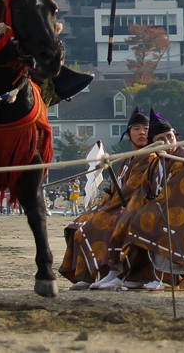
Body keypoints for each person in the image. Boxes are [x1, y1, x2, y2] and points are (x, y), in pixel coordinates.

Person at [111, 110, 184, 288]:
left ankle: (165, 278)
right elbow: (143, 192)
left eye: (169, 137)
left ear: (176, 137)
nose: (167, 143)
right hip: (167, 208)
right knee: (129, 218)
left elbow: (183, 200)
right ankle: (134, 275)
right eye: (161, 139)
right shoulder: (155, 163)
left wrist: (147, 212)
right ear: (152, 144)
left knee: (151, 222)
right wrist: (130, 212)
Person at [59, 108, 157, 290]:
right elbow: (115, 188)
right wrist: (103, 202)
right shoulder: (127, 159)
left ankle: (112, 272)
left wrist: (107, 206)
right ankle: (87, 275)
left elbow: (132, 189)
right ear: (128, 134)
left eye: (146, 128)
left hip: (136, 206)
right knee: (78, 223)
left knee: (98, 223)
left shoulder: (151, 157)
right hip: (118, 204)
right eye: (136, 129)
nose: (142, 132)